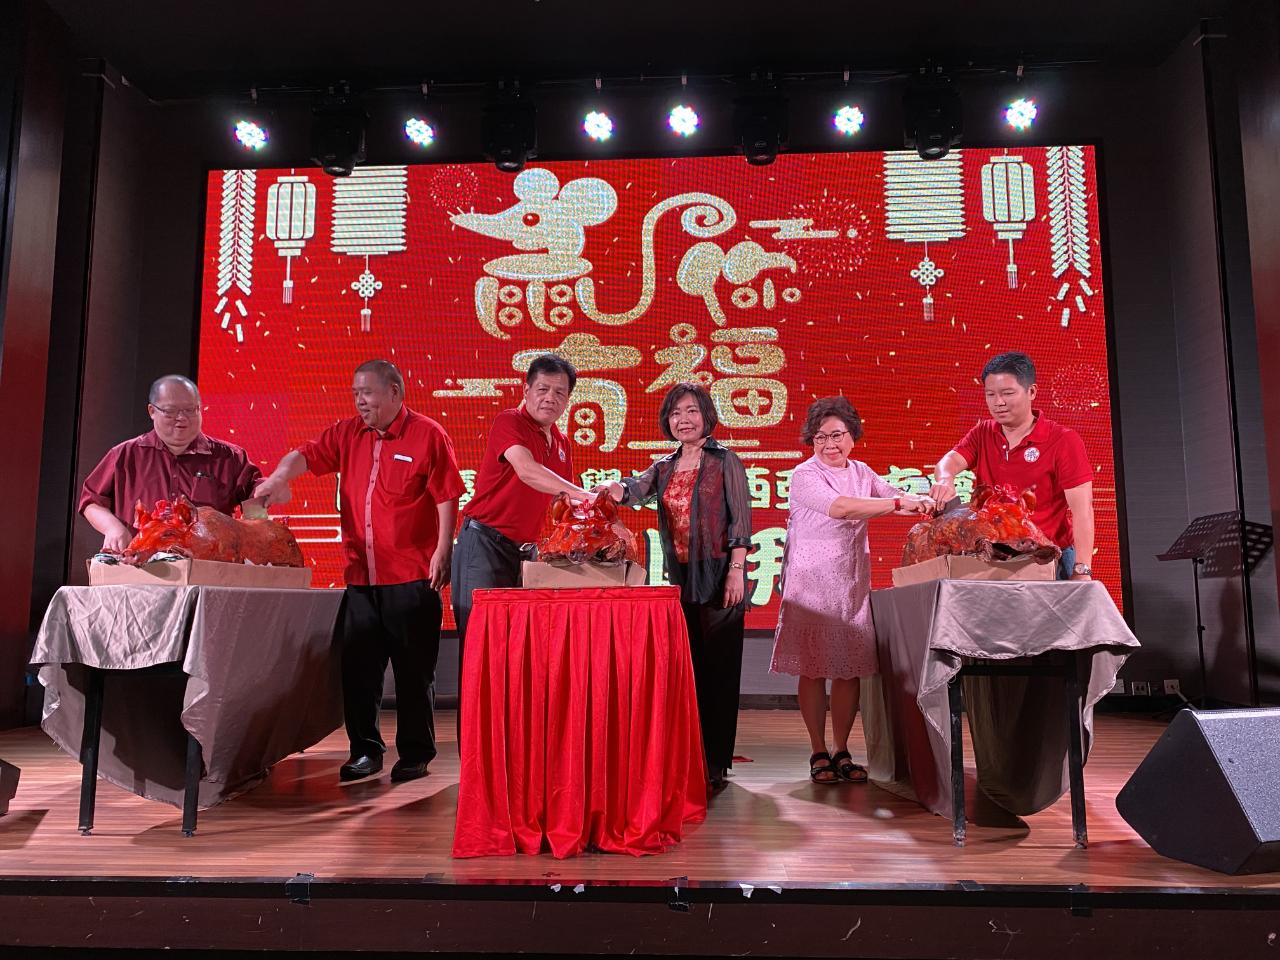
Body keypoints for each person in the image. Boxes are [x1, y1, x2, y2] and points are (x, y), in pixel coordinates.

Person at [254, 359, 464, 784]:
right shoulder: (348, 434)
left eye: (367, 392)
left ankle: (415, 754)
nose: (361, 401)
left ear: (394, 393)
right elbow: (308, 455)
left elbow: (446, 493)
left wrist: (444, 549)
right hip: (360, 576)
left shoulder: (427, 434)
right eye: (355, 394)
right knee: (360, 672)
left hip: (411, 575)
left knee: (413, 672)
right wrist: (278, 476)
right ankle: (365, 751)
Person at [594, 382, 751, 791]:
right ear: (668, 421)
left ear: (707, 418)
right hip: (681, 579)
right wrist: (613, 488)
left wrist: (737, 568)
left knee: (719, 671)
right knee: (689, 670)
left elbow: (740, 520)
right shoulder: (663, 467)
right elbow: (633, 489)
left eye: (692, 411)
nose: (684, 419)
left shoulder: (725, 461)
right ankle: (691, 756)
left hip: (721, 575)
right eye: (676, 412)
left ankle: (716, 761)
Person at [770, 397, 934, 785]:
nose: (830, 444)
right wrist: (897, 502)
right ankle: (817, 750)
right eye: (821, 437)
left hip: (849, 582)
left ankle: (842, 749)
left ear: (852, 437)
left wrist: (924, 502)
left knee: (848, 671)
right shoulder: (804, 475)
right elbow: (842, 508)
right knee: (813, 669)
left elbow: (893, 497)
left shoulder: (862, 471)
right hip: (810, 583)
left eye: (838, 435)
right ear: (811, 441)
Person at [450, 355, 594, 732]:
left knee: (514, 653)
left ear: (568, 401)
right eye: (542, 389)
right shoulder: (509, 422)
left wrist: (605, 525)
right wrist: (585, 495)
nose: (550, 398)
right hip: (483, 546)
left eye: (559, 393)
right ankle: (477, 760)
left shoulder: (561, 442)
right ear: (526, 389)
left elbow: (564, 505)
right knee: (480, 651)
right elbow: (527, 470)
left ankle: (508, 744)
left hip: (525, 554)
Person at [928, 351, 1095, 581]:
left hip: (1047, 559)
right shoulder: (984, 433)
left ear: (1032, 392)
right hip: (992, 559)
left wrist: (1082, 569)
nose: (998, 402)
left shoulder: (1063, 440)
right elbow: (950, 461)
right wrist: (945, 479)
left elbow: (1082, 510)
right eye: (991, 394)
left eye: (1008, 393)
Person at [79, 374, 261, 553]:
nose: (181, 418)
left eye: (190, 410)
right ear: (152, 411)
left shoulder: (229, 457)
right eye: (171, 411)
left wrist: (262, 501)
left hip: (207, 568)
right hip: (138, 564)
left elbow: (256, 500)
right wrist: (113, 528)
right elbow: (91, 502)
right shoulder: (124, 455)